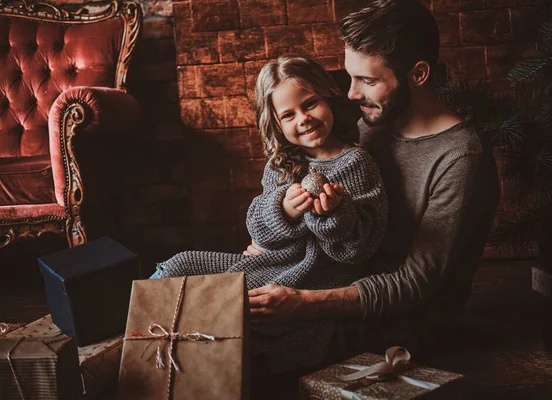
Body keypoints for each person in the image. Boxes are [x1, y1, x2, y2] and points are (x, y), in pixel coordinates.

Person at [244, 0, 500, 358]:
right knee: (214, 306)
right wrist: (271, 242)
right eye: (351, 77)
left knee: (241, 343)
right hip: (331, 279)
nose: (351, 93)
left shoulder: (459, 159)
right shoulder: (370, 125)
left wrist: (303, 303)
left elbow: (414, 285)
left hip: (399, 323)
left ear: (419, 74)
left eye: (368, 80)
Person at [150, 55, 389, 372]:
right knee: (181, 264)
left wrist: (332, 215)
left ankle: (201, 361)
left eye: (310, 104)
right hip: (270, 261)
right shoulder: (281, 166)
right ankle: (139, 336)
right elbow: (260, 233)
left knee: (243, 310)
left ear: (329, 98)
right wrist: (285, 209)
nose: (303, 119)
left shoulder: (356, 164)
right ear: (275, 123)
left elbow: (359, 250)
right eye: (288, 114)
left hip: (313, 275)